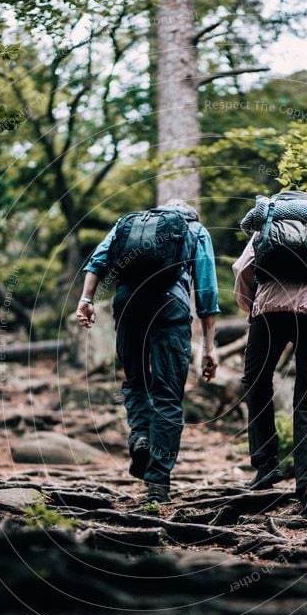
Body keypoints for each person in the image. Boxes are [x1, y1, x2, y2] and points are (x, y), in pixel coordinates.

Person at [77, 200, 220, 504]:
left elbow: (98, 260)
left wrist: (86, 299)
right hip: (170, 306)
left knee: (135, 381)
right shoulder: (196, 230)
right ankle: (157, 483)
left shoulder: (128, 222)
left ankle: (141, 435)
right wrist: (209, 348)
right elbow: (206, 291)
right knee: (167, 394)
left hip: (127, 303)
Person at [233, 193, 307, 517]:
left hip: (270, 311)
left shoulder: (265, 233)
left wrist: (252, 308)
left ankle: (267, 464)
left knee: (255, 383)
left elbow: (243, 270)